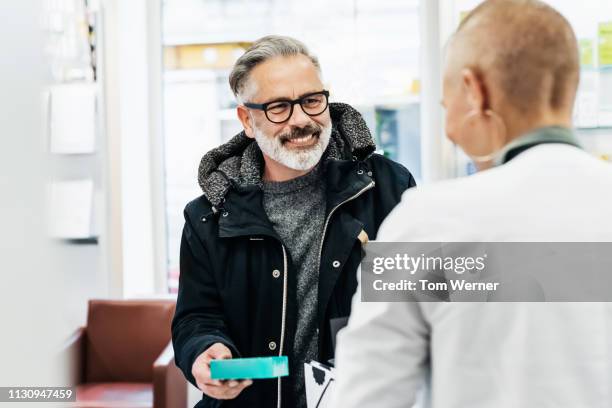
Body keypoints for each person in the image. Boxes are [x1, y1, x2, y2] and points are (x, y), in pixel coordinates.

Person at [333, 1, 612, 407]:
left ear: (475, 90)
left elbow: (369, 395)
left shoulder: (428, 222)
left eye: (447, 106)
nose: (448, 131)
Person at [171, 35, 416, 408]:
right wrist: (205, 350)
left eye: (312, 101)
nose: (301, 120)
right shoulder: (208, 216)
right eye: (279, 107)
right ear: (247, 119)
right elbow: (197, 317)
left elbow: (424, 295)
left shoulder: (386, 188)